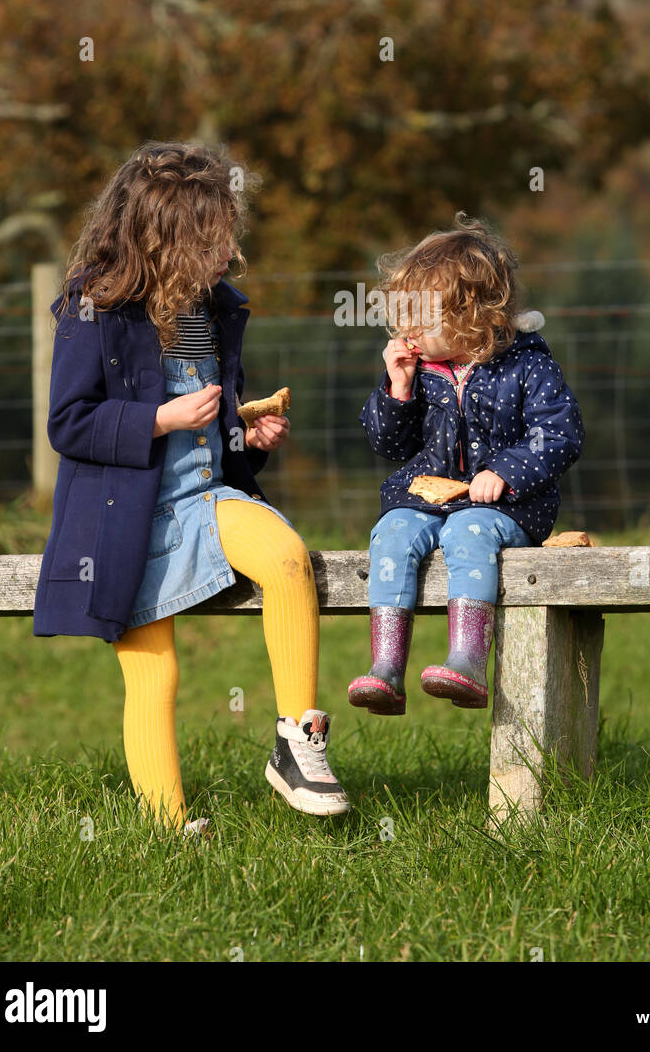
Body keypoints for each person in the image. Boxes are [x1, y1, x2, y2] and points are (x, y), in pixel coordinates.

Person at [33, 140, 349, 837]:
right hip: (125, 520)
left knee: (287, 556)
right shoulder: (98, 307)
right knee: (156, 675)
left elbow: (211, 431)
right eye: (211, 238)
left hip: (207, 501)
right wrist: (160, 418)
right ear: (161, 236)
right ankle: (168, 828)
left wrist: (245, 431)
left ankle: (297, 740)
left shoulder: (213, 309)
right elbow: (68, 422)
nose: (226, 253)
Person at [348, 212, 584, 714]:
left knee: (467, 532)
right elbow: (389, 445)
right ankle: (386, 668)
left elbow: (559, 433)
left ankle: (468, 661)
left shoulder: (527, 365)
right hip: (427, 500)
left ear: (471, 315)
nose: (406, 326)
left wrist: (504, 474)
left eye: (420, 314)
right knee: (391, 531)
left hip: (508, 507)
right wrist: (398, 390)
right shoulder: (420, 372)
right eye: (401, 312)